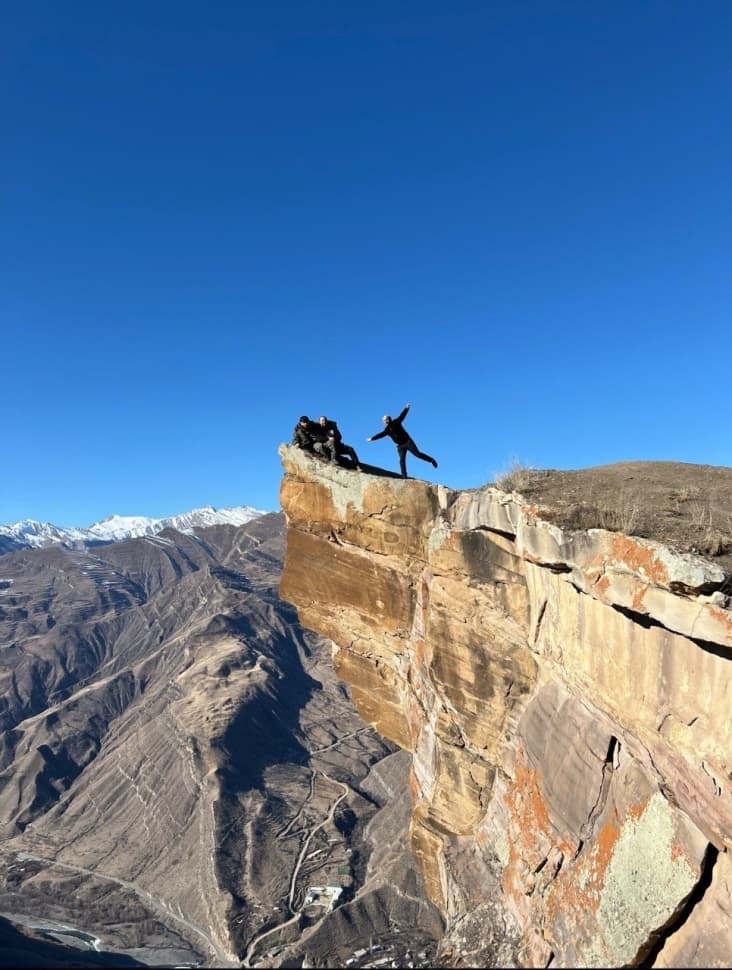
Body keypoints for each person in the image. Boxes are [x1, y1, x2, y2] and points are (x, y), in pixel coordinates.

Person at [366, 403, 437, 478]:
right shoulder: (386, 430)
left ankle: (431, 460)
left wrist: (406, 408)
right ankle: (404, 476)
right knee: (401, 461)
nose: (384, 421)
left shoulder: (396, 422)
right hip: (400, 446)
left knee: (417, 454)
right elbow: (380, 435)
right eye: (383, 420)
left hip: (407, 442)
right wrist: (371, 438)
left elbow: (402, 416)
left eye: (385, 419)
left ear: (388, 419)